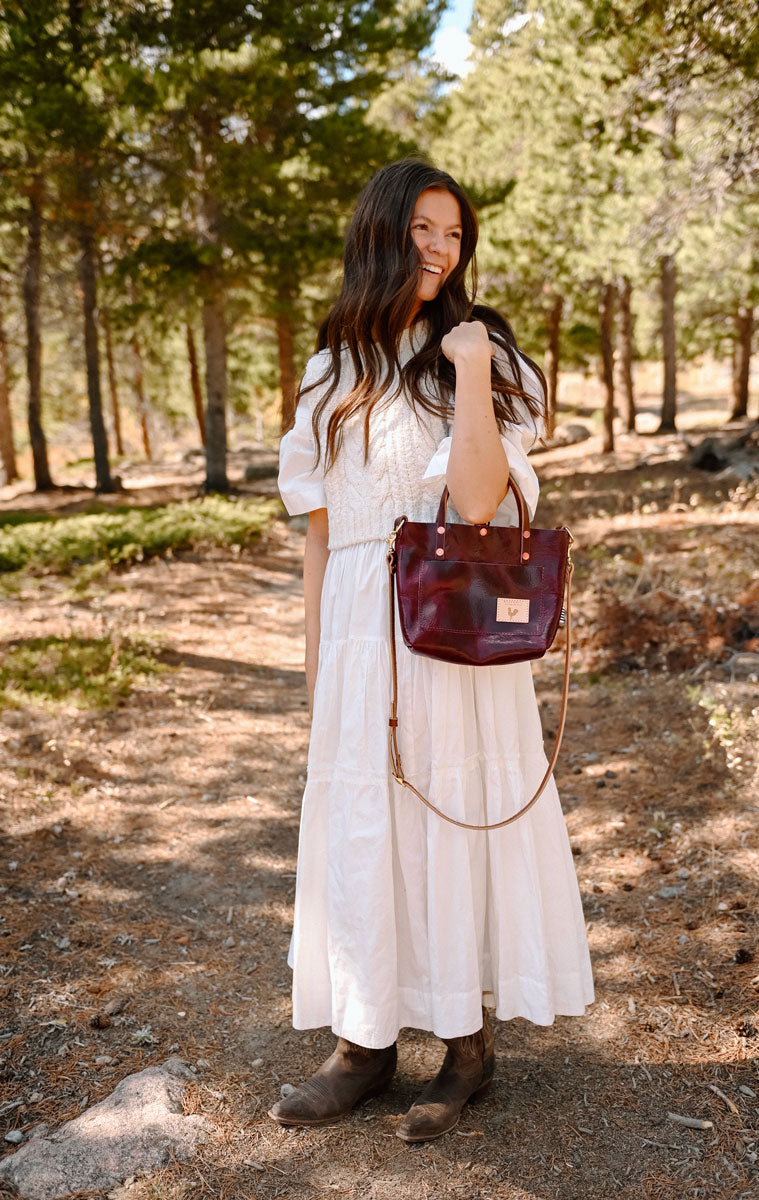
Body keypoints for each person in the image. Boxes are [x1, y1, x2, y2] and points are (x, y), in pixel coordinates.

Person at [271, 159, 593, 1142]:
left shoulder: (476, 349)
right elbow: (321, 537)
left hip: (452, 621)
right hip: (363, 630)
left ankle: (464, 1046)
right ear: (380, 231)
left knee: (455, 821)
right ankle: (362, 1046)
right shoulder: (332, 369)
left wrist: (469, 373)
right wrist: (321, 669)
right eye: (420, 228)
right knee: (363, 824)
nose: (438, 248)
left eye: (452, 234)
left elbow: (485, 500)